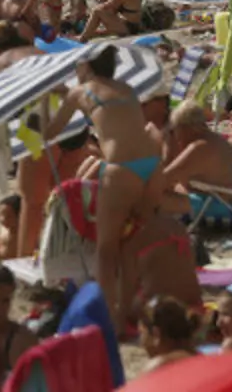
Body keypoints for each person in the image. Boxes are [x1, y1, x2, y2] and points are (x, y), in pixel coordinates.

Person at [43, 45, 164, 326]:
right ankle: (128, 309)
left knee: (106, 250)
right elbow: (103, 106)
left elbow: (50, 132)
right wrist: (62, 93)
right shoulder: (125, 87)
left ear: (86, 67)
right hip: (153, 167)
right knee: (130, 244)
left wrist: (41, 102)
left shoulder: (79, 92)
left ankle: (109, 317)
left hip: (122, 171)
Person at [160, 102, 232, 214]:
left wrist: (168, 145)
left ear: (186, 127)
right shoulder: (212, 140)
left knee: (154, 198)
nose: (176, 137)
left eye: (175, 130)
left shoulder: (200, 147)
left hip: (221, 206)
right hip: (227, 198)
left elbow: (161, 181)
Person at [139, 296, 198, 372]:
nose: (141, 341)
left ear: (156, 333)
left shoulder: (156, 369)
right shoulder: (203, 360)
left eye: (141, 333)